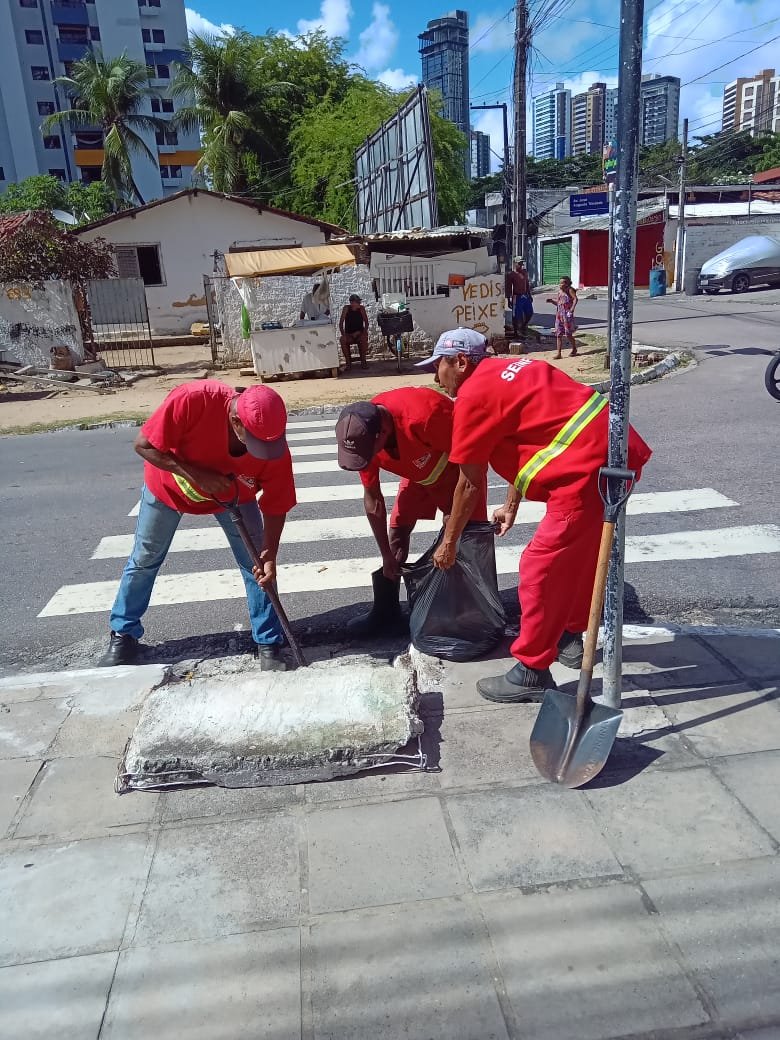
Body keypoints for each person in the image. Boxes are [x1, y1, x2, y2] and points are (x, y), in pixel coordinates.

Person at [416, 338, 652, 702]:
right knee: (579, 558)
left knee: (540, 569)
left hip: (584, 474)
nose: (436, 377)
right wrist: (512, 503)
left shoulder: (473, 396)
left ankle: (531, 670)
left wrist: (450, 542)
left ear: (461, 361)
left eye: (438, 366)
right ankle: (570, 638)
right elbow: (535, 437)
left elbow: (468, 483)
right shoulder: (515, 369)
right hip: (615, 454)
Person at [99, 380, 297, 671]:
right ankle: (123, 634)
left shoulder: (271, 443)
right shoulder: (193, 400)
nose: (260, 452)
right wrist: (195, 475)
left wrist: (270, 553)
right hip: (169, 488)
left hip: (233, 496)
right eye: (253, 443)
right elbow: (144, 445)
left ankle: (268, 640)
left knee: (256, 565)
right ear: (235, 421)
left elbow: (277, 502)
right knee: (145, 559)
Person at [335, 374, 488, 636]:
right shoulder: (361, 434)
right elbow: (373, 500)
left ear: (382, 433)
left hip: (455, 473)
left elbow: (472, 462)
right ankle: (387, 613)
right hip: (418, 473)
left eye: (370, 454)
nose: (369, 459)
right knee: (397, 534)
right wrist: (386, 555)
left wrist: (452, 528)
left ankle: (466, 617)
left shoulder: (426, 414)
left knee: (464, 540)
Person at [548, 276, 578, 359]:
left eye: (563, 282)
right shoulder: (560, 292)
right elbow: (559, 303)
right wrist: (551, 301)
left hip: (567, 315)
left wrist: (572, 309)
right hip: (559, 315)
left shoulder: (570, 290)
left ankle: (574, 348)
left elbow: (575, 299)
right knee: (558, 334)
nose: (560, 284)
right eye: (560, 282)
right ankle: (559, 353)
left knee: (568, 334)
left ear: (567, 283)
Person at [339, 294, 369, 370]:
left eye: (359, 302)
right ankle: (348, 363)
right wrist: (343, 334)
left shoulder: (361, 309)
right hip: (349, 334)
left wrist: (364, 332)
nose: (358, 304)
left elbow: (366, 322)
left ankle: (363, 361)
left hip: (359, 333)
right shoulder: (346, 308)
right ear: (352, 303)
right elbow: (341, 323)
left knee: (364, 338)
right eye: (357, 302)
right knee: (342, 340)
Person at [507, 257, 534, 338]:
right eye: (519, 263)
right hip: (516, 296)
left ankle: (523, 326)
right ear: (515, 263)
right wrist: (509, 300)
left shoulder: (525, 272)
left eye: (522, 263)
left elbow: (527, 284)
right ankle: (516, 332)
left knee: (529, 313)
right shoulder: (511, 274)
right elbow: (508, 288)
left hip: (525, 296)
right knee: (516, 315)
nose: (521, 265)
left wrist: (530, 295)